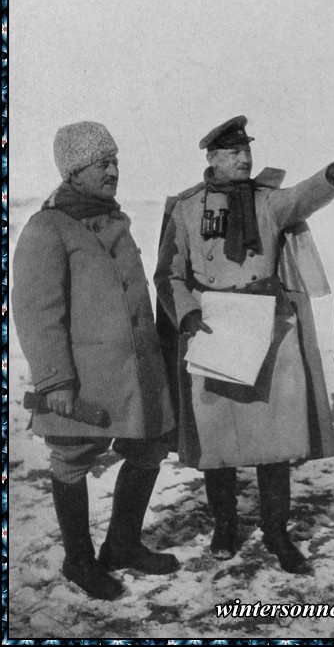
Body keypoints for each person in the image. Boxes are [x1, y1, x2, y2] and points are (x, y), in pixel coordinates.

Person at [155, 115, 334, 574]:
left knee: (276, 440)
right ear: (212, 158)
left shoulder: (270, 202)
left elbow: (304, 196)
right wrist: (187, 314)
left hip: (268, 329)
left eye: (247, 150)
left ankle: (277, 531)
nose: (245, 157)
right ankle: (225, 526)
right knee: (217, 438)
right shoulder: (187, 208)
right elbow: (168, 273)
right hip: (213, 328)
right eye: (233, 152)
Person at [12, 121, 179, 601]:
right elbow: (37, 313)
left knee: (148, 450)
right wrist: (55, 380)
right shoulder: (48, 227)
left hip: (135, 374)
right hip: (83, 379)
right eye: (101, 163)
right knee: (71, 460)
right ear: (74, 172)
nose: (113, 171)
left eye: (115, 161)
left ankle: (122, 546)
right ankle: (79, 561)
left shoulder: (114, 220)